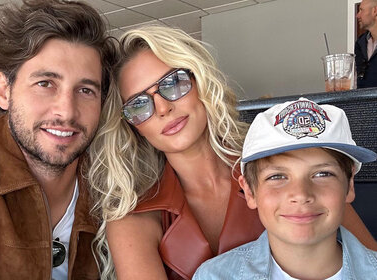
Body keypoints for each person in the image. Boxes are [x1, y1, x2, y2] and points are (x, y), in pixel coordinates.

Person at [88, 25, 377, 280]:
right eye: (139, 104)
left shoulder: (277, 161)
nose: (163, 108)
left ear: (200, 79)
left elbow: (366, 260)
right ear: (130, 124)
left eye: (173, 83)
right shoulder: (133, 216)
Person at [0, 0, 116, 279]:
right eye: (45, 84)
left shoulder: (115, 181)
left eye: (86, 90)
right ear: (4, 91)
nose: (67, 111)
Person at [193, 98, 377, 279]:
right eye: (277, 177)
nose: (301, 194)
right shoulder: (213, 276)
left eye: (322, 174)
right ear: (249, 191)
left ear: (349, 184)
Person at [355, 0, 377, 88]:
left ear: (375, 11)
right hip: (363, 100)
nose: (357, 15)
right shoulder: (360, 43)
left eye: (361, 10)